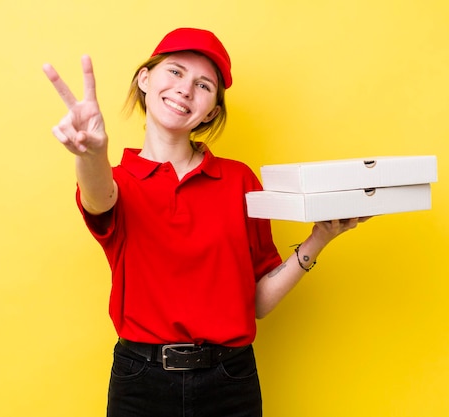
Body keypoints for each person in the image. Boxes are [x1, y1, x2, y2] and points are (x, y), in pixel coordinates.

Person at [43, 27, 368, 417]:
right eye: (175, 72)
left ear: (212, 110)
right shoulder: (119, 181)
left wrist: (319, 239)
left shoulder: (240, 181)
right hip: (141, 382)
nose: (185, 89)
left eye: (203, 85)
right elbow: (98, 197)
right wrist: (92, 153)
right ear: (145, 79)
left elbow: (258, 303)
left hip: (230, 380)